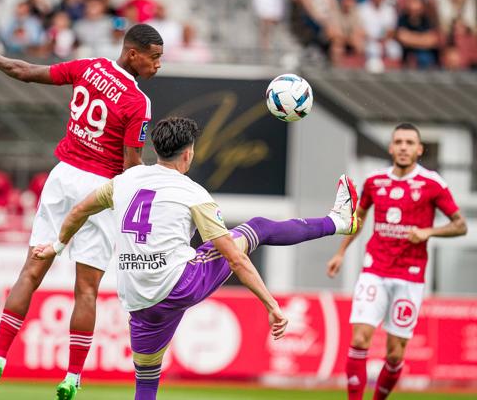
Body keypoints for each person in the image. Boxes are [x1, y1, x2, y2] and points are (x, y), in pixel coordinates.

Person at [34, 116, 361, 400]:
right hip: (179, 285)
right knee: (257, 228)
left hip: (138, 299)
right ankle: (339, 222)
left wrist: (57, 246)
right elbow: (235, 259)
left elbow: (78, 210)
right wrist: (271, 306)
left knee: (146, 380)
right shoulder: (193, 194)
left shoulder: (123, 182)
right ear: (188, 153)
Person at [0, 23, 164, 399]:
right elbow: (132, 163)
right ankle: (72, 377)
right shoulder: (138, 102)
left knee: (31, 269)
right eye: (154, 58)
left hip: (61, 177)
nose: (157, 66)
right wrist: (140, 201)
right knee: (86, 290)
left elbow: (25, 72)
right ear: (133, 53)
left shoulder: (87, 68)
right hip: (99, 188)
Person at [326, 123, 467, 400]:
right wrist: (341, 252)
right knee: (359, 339)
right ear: (391, 148)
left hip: (410, 276)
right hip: (375, 268)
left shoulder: (432, 184)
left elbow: (460, 225)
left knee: (394, 353)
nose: (403, 147)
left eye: (409, 142)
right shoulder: (374, 181)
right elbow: (359, 218)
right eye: (399, 142)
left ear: (419, 149)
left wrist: (429, 231)